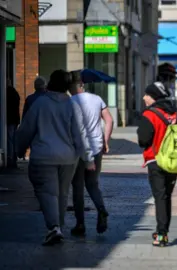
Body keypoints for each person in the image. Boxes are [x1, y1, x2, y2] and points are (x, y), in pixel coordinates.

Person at [16, 69, 94, 245]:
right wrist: (87, 159)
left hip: (43, 157)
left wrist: (19, 149)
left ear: (50, 83)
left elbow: (26, 129)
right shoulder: (73, 106)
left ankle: (54, 227)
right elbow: (79, 135)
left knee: (46, 191)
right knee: (62, 193)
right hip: (68, 158)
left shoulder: (40, 104)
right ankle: (58, 226)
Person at [137, 81, 177, 247]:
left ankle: (162, 234)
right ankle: (162, 231)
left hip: (156, 161)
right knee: (166, 197)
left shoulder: (149, 115)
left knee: (160, 197)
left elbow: (143, 140)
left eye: (147, 95)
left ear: (153, 97)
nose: (144, 98)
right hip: (174, 161)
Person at [69, 71, 114, 237]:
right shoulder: (97, 99)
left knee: (78, 187)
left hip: (78, 150)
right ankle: (101, 209)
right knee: (93, 184)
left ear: (77, 85)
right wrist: (106, 141)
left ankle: (80, 224)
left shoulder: (70, 102)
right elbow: (109, 120)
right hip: (96, 148)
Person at [6, 79, 20, 168]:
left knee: (10, 140)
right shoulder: (15, 93)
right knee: (14, 140)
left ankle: (10, 159)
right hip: (15, 119)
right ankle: (14, 159)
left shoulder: (6, 93)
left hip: (9, 119)